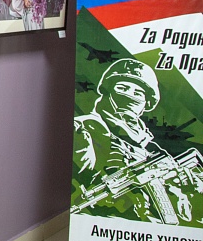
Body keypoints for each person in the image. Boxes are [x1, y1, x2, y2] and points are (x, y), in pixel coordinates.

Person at [73, 58, 202, 224]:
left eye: (138, 93)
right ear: (107, 90)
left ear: (147, 103)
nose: (129, 95)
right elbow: (84, 169)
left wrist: (187, 189)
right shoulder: (84, 128)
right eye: (122, 88)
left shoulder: (149, 144)